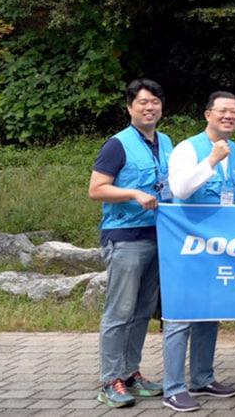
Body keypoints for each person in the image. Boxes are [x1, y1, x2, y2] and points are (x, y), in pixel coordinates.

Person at [90, 79, 172, 409]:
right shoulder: (117, 144)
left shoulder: (166, 142)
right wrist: (134, 193)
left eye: (155, 102)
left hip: (158, 236)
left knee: (141, 312)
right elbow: (97, 189)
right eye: (142, 102)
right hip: (125, 238)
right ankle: (110, 380)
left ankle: (130, 373)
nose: (149, 107)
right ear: (129, 108)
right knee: (119, 312)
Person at [161, 91, 235, 411]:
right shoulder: (187, 148)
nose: (229, 116)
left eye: (234, 111)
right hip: (185, 245)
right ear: (208, 114)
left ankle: (202, 377)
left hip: (218, 246)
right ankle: (173, 387)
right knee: (181, 315)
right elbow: (180, 189)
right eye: (223, 110)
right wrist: (211, 160)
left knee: (210, 313)